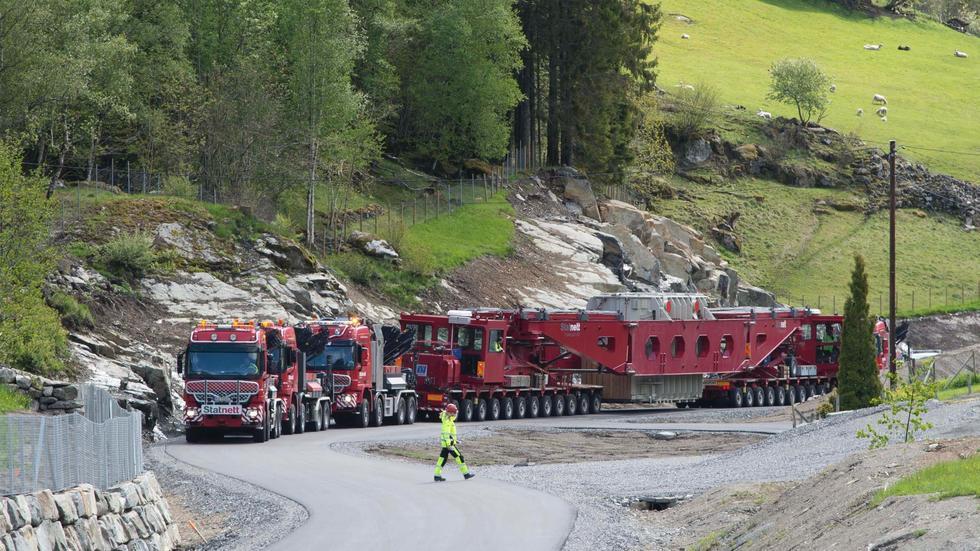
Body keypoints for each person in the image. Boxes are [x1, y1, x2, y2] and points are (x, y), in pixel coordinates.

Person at [434, 403, 474, 482]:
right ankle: (466, 474)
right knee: (459, 457)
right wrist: (449, 445)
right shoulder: (447, 422)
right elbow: (446, 434)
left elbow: (449, 434)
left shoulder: (448, 419)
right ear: (451, 413)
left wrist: (455, 441)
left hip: (447, 444)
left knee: (442, 459)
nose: (455, 414)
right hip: (448, 445)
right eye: (454, 413)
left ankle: (437, 475)